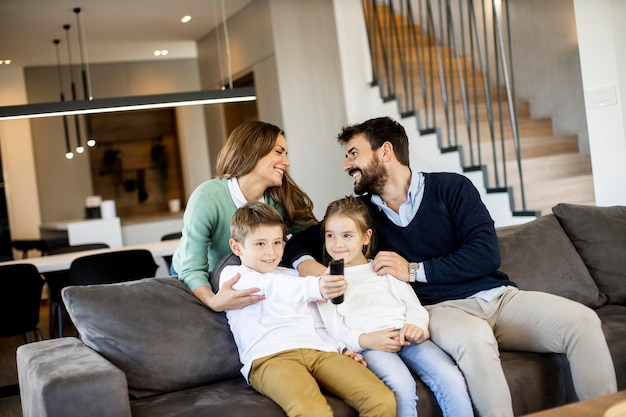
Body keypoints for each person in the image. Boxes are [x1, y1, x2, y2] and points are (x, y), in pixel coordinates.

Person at [283, 116, 618, 417]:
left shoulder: (452, 188)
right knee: (475, 340)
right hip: (440, 310)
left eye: (354, 153)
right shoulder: (361, 214)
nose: (346, 164)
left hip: (500, 299)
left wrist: (413, 270)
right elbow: (297, 244)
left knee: (583, 321)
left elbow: (486, 254)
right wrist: (307, 264)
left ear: (385, 152)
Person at [220, 201, 396, 417]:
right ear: (237, 247)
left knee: (381, 400)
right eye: (260, 244)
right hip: (271, 358)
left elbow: (317, 321)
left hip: (320, 351)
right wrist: (317, 286)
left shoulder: (293, 276)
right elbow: (274, 288)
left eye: (277, 242)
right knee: (314, 412)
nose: (271, 252)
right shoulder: (234, 277)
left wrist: (341, 348)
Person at [316, 196, 473, 417]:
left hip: (407, 337)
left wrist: (417, 326)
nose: (337, 244)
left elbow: (415, 308)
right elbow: (335, 330)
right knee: (401, 386)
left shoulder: (384, 268)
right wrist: (367, 340)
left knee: (450, 376)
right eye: (330, 235)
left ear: (365, 237)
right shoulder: (327, 281)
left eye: (347, 236)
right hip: (371, 345)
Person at [171, 120, 330, 312]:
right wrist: (213, 301)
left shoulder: (281, 198)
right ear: (249, 151)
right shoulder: (207, 197)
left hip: (248, 272)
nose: (286, 162)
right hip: (199, 275)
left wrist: (306, 263)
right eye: (279, 152)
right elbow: (192, 268)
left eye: (285, 154)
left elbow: (313, 237)